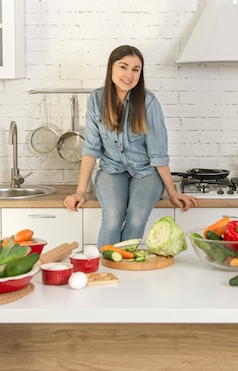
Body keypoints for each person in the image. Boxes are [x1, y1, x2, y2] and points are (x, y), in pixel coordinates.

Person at [63, 45, 197, 248]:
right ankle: (106, 271)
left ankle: (125, 270)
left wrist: (172, 191)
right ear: (111, 68)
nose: (129, 74)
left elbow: (158, 154)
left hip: (146, 173)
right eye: (123, 67)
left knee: (136, 218)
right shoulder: (96, 99)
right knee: (113, 216)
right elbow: (91, 148)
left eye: (136, 69)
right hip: (112, 170)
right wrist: (80, 191)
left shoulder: (148, 102)